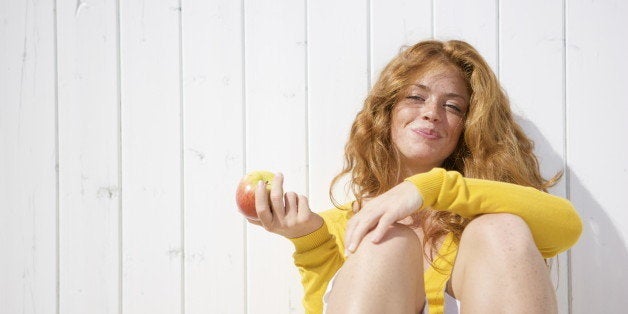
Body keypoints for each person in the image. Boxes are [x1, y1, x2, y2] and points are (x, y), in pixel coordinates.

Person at [246, 40, 582, 314]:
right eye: (415, 97)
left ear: (468, 127)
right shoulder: (337, 225)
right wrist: (311, 240)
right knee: (383, 241)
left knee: (501, 227)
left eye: (453, 106)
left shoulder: (480, 213)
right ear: (387, 112)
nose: (431, 113)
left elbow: (568, 226)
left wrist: (427, 188)